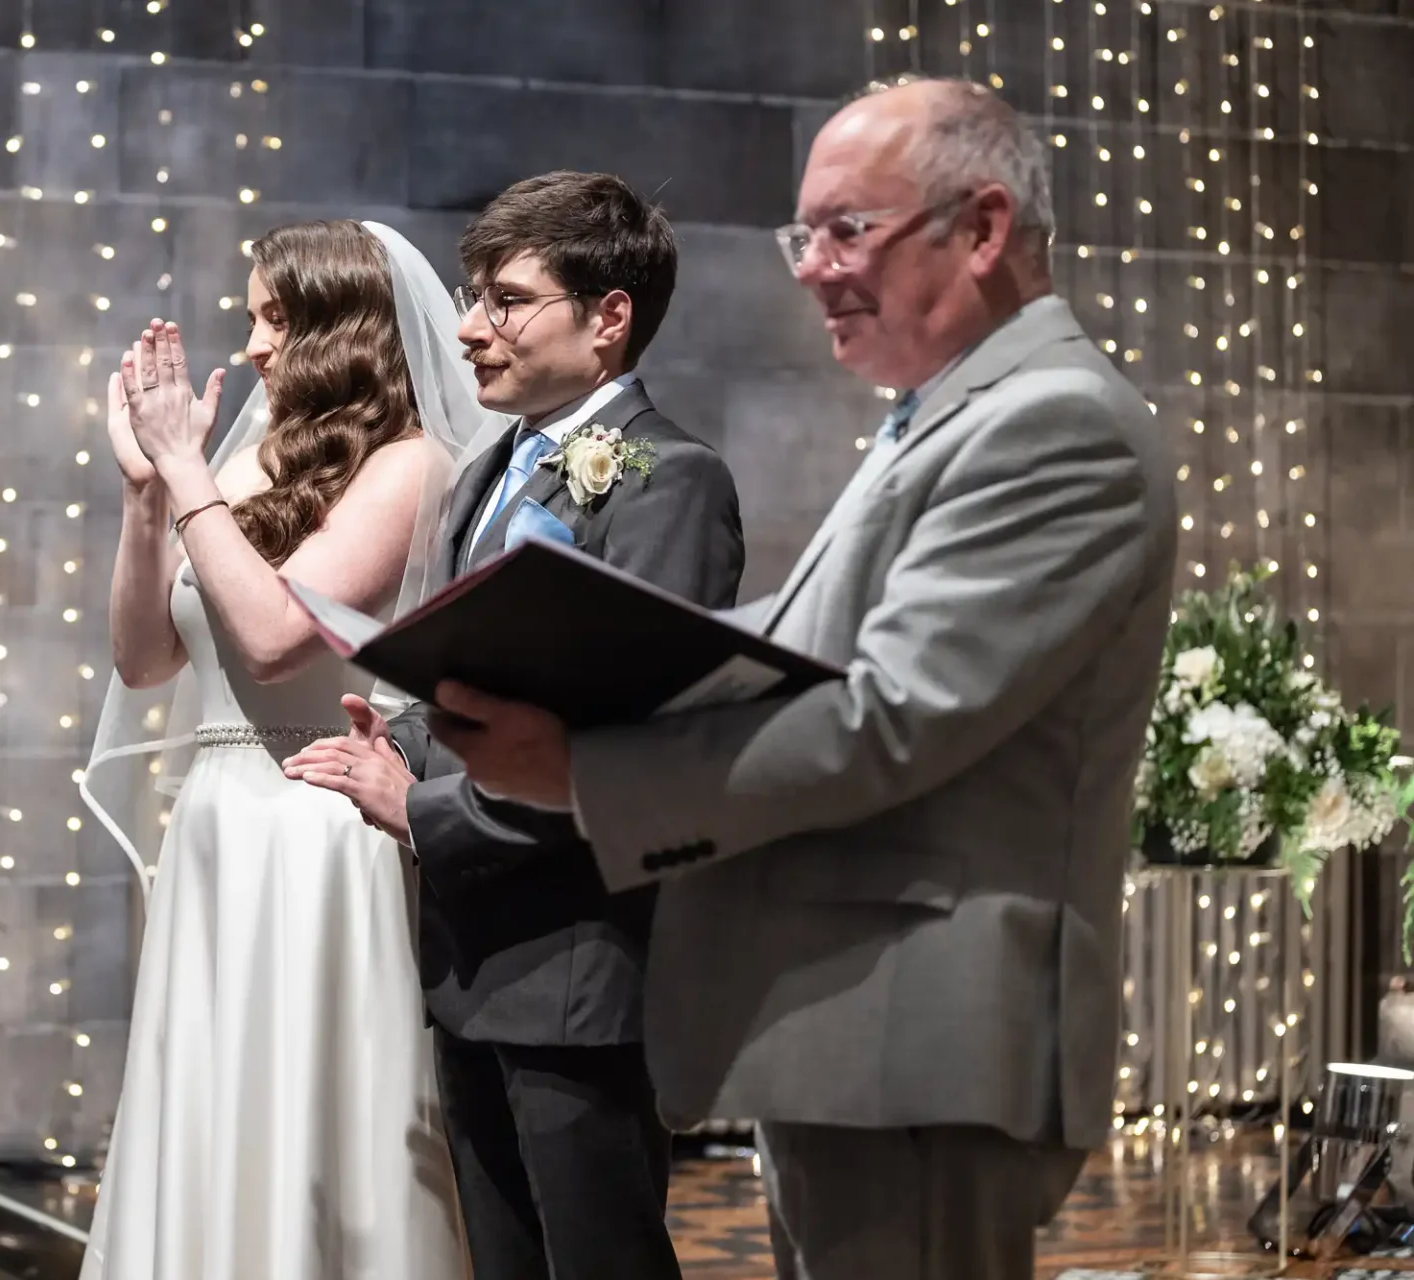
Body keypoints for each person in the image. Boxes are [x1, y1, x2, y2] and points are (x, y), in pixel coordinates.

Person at [422, 80, 1180, 1280]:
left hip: (925, 1025)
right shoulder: (947, 414)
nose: (812, 268)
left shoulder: (1057, 422)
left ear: (981, 229)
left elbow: (891, 714)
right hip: (848, 1018)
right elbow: (799, 636)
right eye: (802, 234)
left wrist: (580, 770)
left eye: (847, 230)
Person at [284, 172, 744, 1280]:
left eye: (505, 298)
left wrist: (424, 806)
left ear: (608, 316)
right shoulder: (485, 469)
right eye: (469, 295)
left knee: (600, 1258)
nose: (467, 328)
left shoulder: (668, 480)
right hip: (471, 957)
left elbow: (630, 726)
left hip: (582, 961)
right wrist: (402, 734)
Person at [77, 219, 506, 1280]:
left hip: (321, 819)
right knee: (208, 1106)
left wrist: (186, 474)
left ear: (337, 329)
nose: (257, 344)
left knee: (309, 1115)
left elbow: (273, 640)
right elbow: (141, 662)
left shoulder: (412, 467)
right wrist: (144, 494)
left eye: (275, 315)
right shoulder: (244, 468)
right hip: (221, 821)